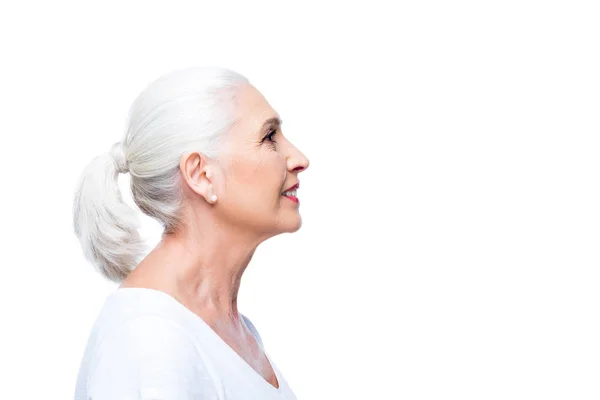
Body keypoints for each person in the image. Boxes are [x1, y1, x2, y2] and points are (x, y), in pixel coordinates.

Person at [72, 66, 309, 399]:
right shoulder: (150, 339)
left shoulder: (232, 332)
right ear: (201, 174)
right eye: (269, 137)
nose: (300, 159)